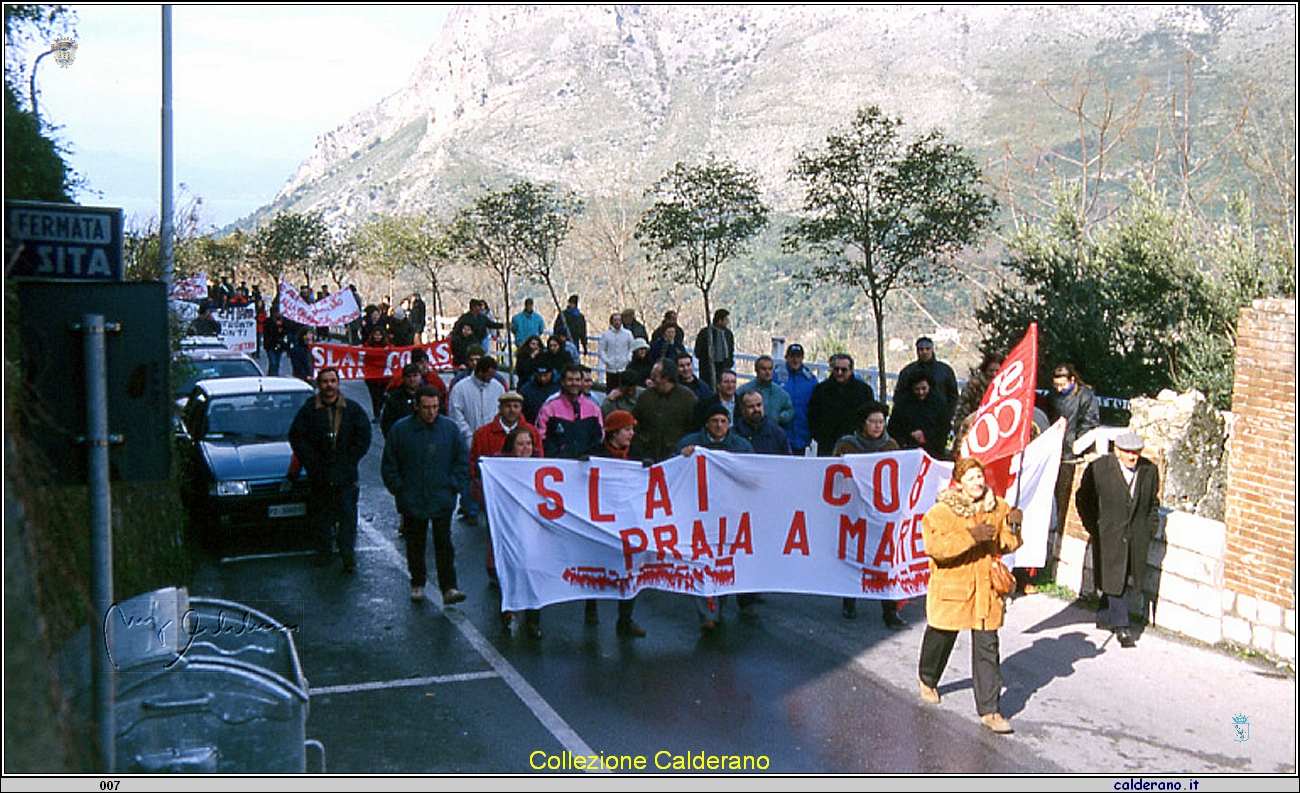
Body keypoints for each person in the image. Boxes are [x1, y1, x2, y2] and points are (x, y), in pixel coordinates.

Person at [917, 456, 1023, 734]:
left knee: (988, 646)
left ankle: (990, 710)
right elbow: (935, 547)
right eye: (971, 477)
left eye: (980, 476)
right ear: (959, 481)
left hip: (986, 589)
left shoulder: (997, 507)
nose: (978, 482)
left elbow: (1008, 544)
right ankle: (927, 679)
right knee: (941, 637)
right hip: (953, 587)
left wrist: (1013, 525)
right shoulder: (941, 512)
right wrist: (970, 536)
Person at [381, 386, 469, 606]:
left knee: (444, 544)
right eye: (427, 407)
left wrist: (453, 486)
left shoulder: (449, 429)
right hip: (412, 498)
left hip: (441, 496)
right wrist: (399, 489)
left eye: (435, 407)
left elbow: (462, 460)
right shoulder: (400, 430)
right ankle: (418, 582)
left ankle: (449, 587)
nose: (431, 412)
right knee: (415, 543)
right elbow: (389, 464)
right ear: (416, 406)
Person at [1076, 432, 1160, 649]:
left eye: (1136, 453)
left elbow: (1152, 504)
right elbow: (1084, 499)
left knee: (1123, 575)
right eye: (1127, 452)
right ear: (1117, 451)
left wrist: (1149, 529)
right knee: (1116, 577)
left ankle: (1104, 615)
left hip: (1136, 536)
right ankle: (1122, 626)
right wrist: (1095, 527)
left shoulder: (1149, 472)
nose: (1132, 457)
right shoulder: (1099, 469)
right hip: (1108, 533)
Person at [674, 404, 754, 632]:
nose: (719, 426)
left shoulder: (741, 446)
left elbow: (753, 473)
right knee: (703, 562)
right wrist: (682, 457)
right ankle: (708, 614)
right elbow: (671, 470)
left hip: (730, 514)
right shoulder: (690, 443)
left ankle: (719, 605)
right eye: (715, 421)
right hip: (699, 513)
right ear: (707, 424)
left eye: (723, 421)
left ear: (729, 424)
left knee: (726, 562)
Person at [289, 367, 373, 571]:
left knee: (347, 515)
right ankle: (324, 552)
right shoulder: (309, 410)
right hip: (320, 474)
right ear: (319, 384)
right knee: (321, 515)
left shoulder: (352, 409)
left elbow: (363, 436)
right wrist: (313, 462)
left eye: (332, 381)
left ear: (338, 383)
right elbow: (297, 437)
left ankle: (347, 555)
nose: (329, 385)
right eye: (325, 381)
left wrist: (350, 458)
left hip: (345, 474)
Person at [834, 402, 905, 627]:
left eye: (881, 422)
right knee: (853, 555)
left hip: (882, 513)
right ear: (863, 424)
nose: (877, 426)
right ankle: (849, 600)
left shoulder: (891, 446)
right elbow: (834, 473)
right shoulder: (847, 445)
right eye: (873, 422)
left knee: (885, 559)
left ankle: (889, 611)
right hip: (854, 510)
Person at [469, 392, 542, 588]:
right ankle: (495, 568)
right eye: (508, 406)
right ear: (500, 408)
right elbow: (474, 463)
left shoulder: (531, 432)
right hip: (496, 498)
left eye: (516, 406)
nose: (512, 410)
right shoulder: (483, 434)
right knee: (497, 534)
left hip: (525, 499)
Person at [586, 410, 648, 638]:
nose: (631, 434)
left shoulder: (636, 454)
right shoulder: (595, 452)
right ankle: (590, 605)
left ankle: (625, 618)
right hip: (601, 519)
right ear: (613, 433)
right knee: (595, 562)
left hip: (626, 519)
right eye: (627, 430)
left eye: (632, 429)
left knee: (629, 567)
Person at [496, 426, 544, 638]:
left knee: (533, 570)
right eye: (521, 444)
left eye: (529, 444)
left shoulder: (540, 466)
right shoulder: (500, 465)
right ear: (511, 446)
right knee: (510, 570)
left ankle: (533, 619)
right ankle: (508, 612)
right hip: (508, 525)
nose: (526, 448)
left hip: (532, 526)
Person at [449, 356, 507, 523]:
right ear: (480, 372)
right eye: (489, 374)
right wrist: (468, 435)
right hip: (468, 438)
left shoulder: (497, 388)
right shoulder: (461, 388)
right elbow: (456, 412)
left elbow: (500, 411)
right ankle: (470, 508)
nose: (491, 378)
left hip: (491, 438)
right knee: (469, 474)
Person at [631, 361, 698, 463]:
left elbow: (694, 429)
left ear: (666, 378)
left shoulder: (688, 399)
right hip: (647, 456)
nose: (651, 378)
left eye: (655, 375)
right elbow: (634, 423)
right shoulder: (645, 397)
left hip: (676, 458)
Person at [808, 353, 874, 457]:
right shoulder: (820, 390)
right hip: (827, 445)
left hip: (856, 445)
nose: (839, 373)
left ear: (851, 370)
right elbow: (812, 416)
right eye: (836, 369)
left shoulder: (864, 391)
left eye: (844, 370)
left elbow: (869, 417)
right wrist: (820, 436)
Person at [535, 364, 603, 462]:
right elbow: (540, 437)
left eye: (577, 380)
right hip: (558, 465)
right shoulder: (549, 408)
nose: (574, 383)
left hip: (585, 465)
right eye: (570, 380)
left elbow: (599, 437)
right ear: (563, 382)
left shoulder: (594, 408)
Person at [894, 337, 960, 429]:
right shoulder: (908, 372)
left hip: (939, 420)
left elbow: (953, 396)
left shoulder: (945, 371)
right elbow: (899, 396)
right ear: (917, 351)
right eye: (921, 349)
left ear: (932, 350)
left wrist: (947, 415)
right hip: (913, 421)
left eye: (927, 349)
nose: (924, 352)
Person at [951, 352, 1006, 454]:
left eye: (997, 371)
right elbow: (962, 410)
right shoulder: (974, 386)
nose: (994, 374)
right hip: (974, 430)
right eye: (991, 371)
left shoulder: (1005, 387)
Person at [888, 372, 950, 459]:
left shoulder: (939, 403)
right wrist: (908, 437)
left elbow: (944, 427)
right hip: (907, 450)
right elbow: (893, 427)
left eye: (924, 388)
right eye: (917, 389)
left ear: (929, 387)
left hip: (933, 451)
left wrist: (926, 435)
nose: (921, 392)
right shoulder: (902, 404)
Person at [775, 343, 817, 456]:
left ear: (802, 358)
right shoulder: (776, 377)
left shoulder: (810, 380)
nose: (795, 360)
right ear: (786, 357)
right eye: (792, 356)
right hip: (780, 434)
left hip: (801, 435)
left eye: (798, 357)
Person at [737, 355, 794, 432]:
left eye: (770, 369)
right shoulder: (744, 390)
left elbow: (790, 409)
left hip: (771, 433)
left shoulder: (780, 393)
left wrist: (779, 417)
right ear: (756, 370)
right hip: (748, 431)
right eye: (764, 369)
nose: (767, 372)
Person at [693, 308, 735, 390]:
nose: (727, 322)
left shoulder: (728, 334)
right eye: (726, 319)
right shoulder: (705, 333)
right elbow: (698, 351)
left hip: (724, 367)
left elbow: (731, 350)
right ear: (719, 320)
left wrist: (729, 362)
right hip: (707, 369)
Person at [380, 363, 424, 437]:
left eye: (415, 376)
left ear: (420, 376)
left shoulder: (429, 394)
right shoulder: (394, 398)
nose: (412, 379)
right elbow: (387, 423)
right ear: (403, 378)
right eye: (409, 376)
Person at [362, 326, 392, 420]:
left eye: (379, 335)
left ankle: (381, 412)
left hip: (384, 377)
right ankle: (377, 415)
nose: (378, 337)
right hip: (372, 377)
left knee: (382, 396)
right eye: (376, 334)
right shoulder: (367, 346)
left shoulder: (388, 346)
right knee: (374, 397)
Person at [596, 312, 634, 385]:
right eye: (615, 320)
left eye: (619, 320)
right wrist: (607, 361)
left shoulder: (628, 334)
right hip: (611, 369)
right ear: (612, 321)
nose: (617, 322)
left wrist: (628, 359)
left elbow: (632, 347)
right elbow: (601, 350)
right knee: (610, 388)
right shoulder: (606, 335)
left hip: (624, 368)